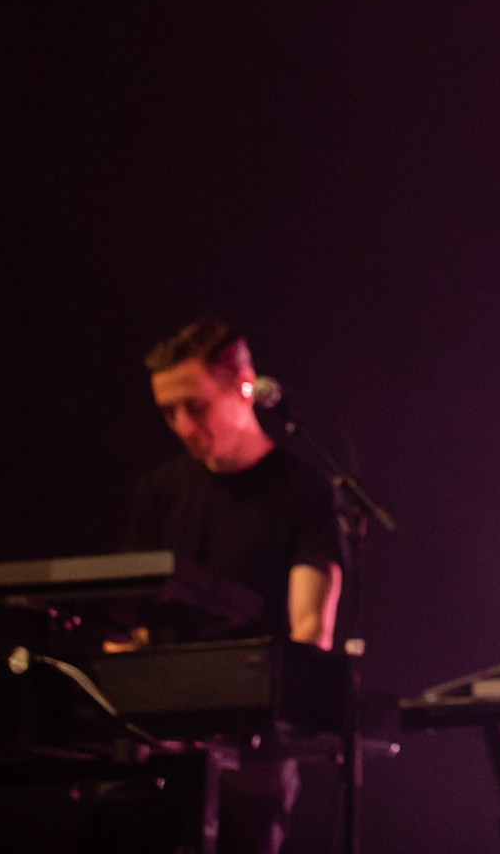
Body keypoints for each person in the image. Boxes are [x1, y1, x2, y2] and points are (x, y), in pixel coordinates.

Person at [108, 316, 346, 854]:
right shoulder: (158, 491)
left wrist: (259, 715)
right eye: (168, 411)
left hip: (253, 746)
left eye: (195, 407)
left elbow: (311, 628)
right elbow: (129, 622)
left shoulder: (303, 490)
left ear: (244, 387)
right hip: (161, 738)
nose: (182, 426)